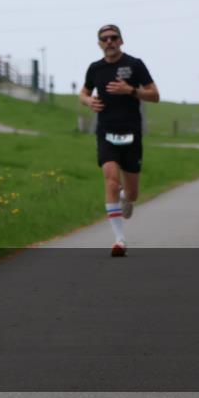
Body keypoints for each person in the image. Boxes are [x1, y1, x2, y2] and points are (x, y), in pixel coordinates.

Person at [78, 24, 160, 257]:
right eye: (104, 39)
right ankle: (119, 239)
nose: (109, 42)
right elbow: (83, 93)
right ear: (99, 44)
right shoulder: (95, 69)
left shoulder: (135, 65)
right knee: (111, 180)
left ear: (121, 41)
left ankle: (127, 198)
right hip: (106, 132)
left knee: (132, 193)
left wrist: (131, 91)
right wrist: (88, 102)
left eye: (114, 38)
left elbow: (155, 95)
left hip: (131, 132)